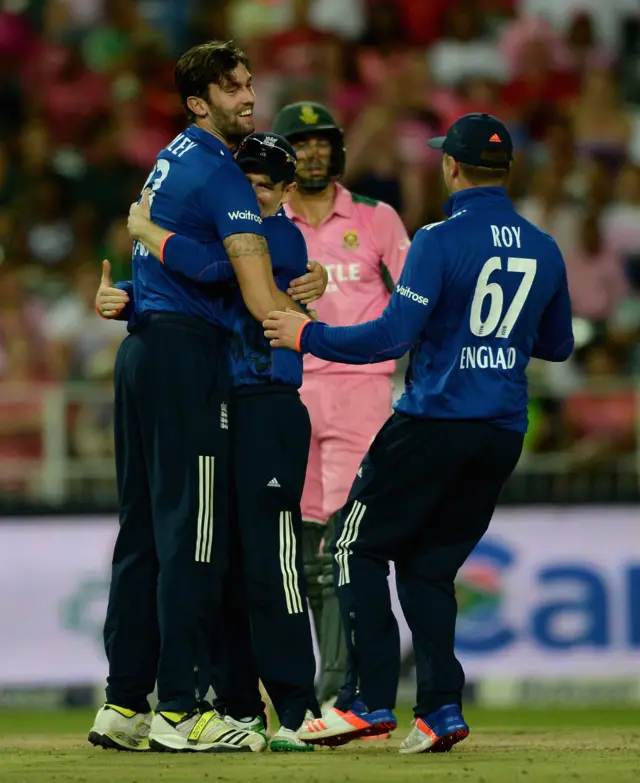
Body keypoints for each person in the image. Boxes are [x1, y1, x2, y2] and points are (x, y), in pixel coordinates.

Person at [264, 113, 575, 753]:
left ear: (450, 167)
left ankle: (366, 702)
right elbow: (559, 343)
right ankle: (439, 710)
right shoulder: (544, 246)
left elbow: (392, 336)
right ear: (505, 170)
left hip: (433, 419)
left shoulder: (437, 238)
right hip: (499, 433)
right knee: (429, 570)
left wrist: (307, 334)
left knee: (353, 548)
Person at [89, 40, 304, 755]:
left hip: (143, 350)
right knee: (196, 533)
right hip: (188, 361)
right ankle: (180, 707)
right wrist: (305, 309)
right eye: (233, 88)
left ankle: (124, 702)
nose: (249, 97)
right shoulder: (222, 177)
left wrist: (142, 253)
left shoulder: (170, 160)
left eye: (249, 82)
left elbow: (182, 257)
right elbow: (257, 299)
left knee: (145, 531)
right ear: (197, 102)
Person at [271, 101, 410, 709]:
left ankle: (340, 691)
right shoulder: (266, 221)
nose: (313, 152)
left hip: (361, 394)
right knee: (302, 544)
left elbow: (412, 304)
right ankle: (317, 688)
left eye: (322, 142)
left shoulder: (377, 219)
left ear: (338, 150)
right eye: (301, 144)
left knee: (347, 544)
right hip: (291, 390)